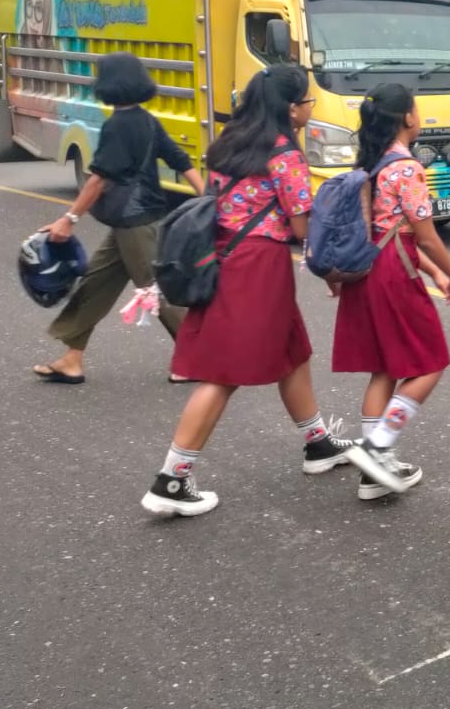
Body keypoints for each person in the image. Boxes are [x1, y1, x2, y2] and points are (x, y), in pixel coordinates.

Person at [143, 66, 351, 517]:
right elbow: (303, 227)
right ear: (291, 109)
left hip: (224, 256)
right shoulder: (285, 154)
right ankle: (171, 480)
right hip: (259, 267)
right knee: (224, 373)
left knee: (292, 351)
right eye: (308, 100)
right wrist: (334, 271)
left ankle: (318, 443)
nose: (311, 108)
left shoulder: (228, 143)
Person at [35, 53, 204, 386]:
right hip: (132, 222)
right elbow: (179, 159)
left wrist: (69, 219)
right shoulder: (146, 120)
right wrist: (206, 195)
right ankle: (72, 359)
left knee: (156, 292)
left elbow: (99, 179)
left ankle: (198, 358)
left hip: (135, 222)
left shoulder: (118, 125)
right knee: (95, 283)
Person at [336, 83, 450, 498]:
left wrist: (435, 274)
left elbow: (391, 231)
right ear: (408, 117)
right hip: (394, 272)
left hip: (368, 268)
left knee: (385, 367)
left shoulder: (371, 161)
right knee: (431, 362)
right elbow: (424, 235)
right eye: (417, 108)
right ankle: (377, 448)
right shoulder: (407, 167)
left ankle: (373, 473)